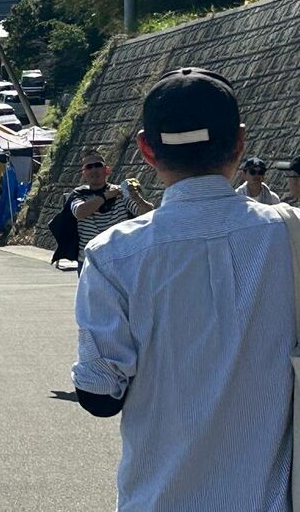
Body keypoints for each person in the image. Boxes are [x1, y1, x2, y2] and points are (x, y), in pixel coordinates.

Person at [72, 67, 298, 511]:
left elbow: (99, 394)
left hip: (159, 499)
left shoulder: (113, 255)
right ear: (239, 141)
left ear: (145, 148)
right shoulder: (291, 236)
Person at [71, 149, 153, 274]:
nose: (94, 170)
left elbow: (147, 213)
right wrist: (106, 196)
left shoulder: (120, 192)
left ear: (107, 170)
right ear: (84, 173)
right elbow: (80, 212)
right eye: (89, 167)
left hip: (120, 258)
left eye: (98, 165)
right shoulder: (79, 194)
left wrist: (137, 197)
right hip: (90, 261)